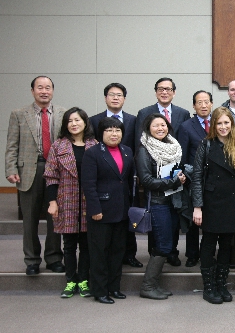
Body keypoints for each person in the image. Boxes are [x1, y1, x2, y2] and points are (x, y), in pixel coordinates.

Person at [5, 76, 65, 276]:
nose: (44, 91)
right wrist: (11, 168)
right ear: (32, 91)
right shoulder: (19, 114)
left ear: (53, 91)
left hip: (56, 171)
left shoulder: (63, 113)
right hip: (30, 170)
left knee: (55, 217)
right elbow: (12, 145)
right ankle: (31, 260)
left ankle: (54, 258)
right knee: (29, 219)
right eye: (40, 88)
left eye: (48, 88)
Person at [191, 107, 235, 304]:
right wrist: (197, 206)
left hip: (233, 202)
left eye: (227, 123)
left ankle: (221, 284)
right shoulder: (205, 145)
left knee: (226, 245)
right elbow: (197, 176)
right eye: (219, 123)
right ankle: (209, 287)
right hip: (210, 203)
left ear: (232, 124)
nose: (223, 127)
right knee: (208, 244)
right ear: (213, 125)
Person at [44, 107, 98, 298]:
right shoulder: (58, 146)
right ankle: (70, 280)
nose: (74, 124)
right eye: (70, 121)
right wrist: (52, 201)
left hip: (88, 202)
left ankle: (83, 280)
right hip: (65, 200)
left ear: (85, 122)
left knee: (86, 244)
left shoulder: (95, 145)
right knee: (68, 244)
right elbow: (51, 176)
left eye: (77, 120)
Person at [82, 117, 135, 304]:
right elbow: (88, 185)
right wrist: (94, 208)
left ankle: (114, 287)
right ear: (101, 133)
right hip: (101, 211)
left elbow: (128, 182)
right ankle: (100, 290)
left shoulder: (127, 151)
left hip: (121, 210)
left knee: (117, 251)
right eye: (109, 130)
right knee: (99, 253)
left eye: (118, 130)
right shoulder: (93, 153)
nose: (114, 134)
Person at [89, 82, 141, 269]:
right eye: (112, 94)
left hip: (127, 174)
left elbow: (136, 146)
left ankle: (130, 254)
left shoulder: (134, 120)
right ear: (105, 98)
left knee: (127, 217)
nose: (116, 98)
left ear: (124, 99)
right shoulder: (94, 120)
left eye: (119, 95)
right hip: (104, 175)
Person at [136, 113, 186, 300]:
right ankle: (148, 286)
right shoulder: (144, 149)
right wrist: (173, 181)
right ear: (148, 128)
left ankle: (153, 284)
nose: (160, 128)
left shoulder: (172, 146)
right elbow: (147, 180)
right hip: (157, 203)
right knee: (163, 245)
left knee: (167, 243)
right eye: (156, 125)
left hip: (171, 201)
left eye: (163, 125)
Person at [174, 90, 213, 268]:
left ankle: (208, 253)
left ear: (211, 104)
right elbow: (181, 156)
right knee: (192, 219)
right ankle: (192, 254)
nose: (203, 105)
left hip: (214, 179)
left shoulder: (219, 123)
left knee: (211, 219)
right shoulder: (186, 126)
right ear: (193, 105)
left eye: (206, 102)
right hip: (193, 178)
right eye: (199, 102)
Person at [135, 77, 190, 150]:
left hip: (177, 157)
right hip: (152, 157)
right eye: (161, 89)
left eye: (168, 89)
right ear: (156, 92)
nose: (164, 92)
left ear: (174, 93)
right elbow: (139, 140)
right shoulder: (144, 113)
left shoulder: (183, 114)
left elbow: (185, 141)